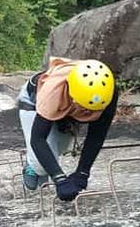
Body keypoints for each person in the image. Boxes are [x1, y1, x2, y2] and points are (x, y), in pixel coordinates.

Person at [18, 57, 118, 202]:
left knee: (62, 149)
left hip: (67, 110)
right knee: (42, 164)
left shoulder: (107, 92)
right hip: (34, 102)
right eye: (85, 109)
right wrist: (60, 179)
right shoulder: (52, 92)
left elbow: (97, 135)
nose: (88, 113)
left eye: (92, 111)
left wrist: (82, 173)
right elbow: (38, 139)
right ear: (73, 97)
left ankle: (40, 163)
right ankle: (32, 165)